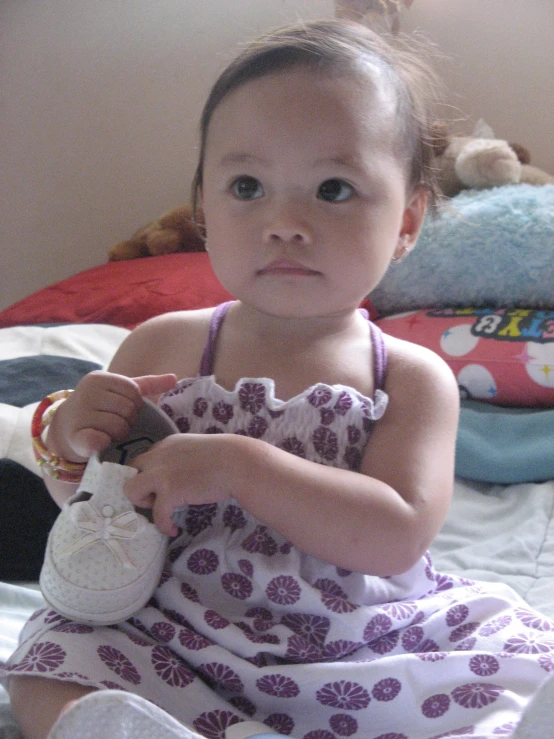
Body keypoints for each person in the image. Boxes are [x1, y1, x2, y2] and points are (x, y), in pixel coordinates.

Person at [4, 18, 554, 739]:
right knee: (45, 656)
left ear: (408, 222)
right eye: (247, 185)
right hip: (175, 625)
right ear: (205, 207)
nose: (285, 221)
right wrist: (71, 445)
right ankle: (114, 728)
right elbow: (96, 509)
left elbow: (395, 537)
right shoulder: (162, 343)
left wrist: (243, 466)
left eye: (333, 188)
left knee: (509, 665)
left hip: (349, 642)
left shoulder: (412, 377)